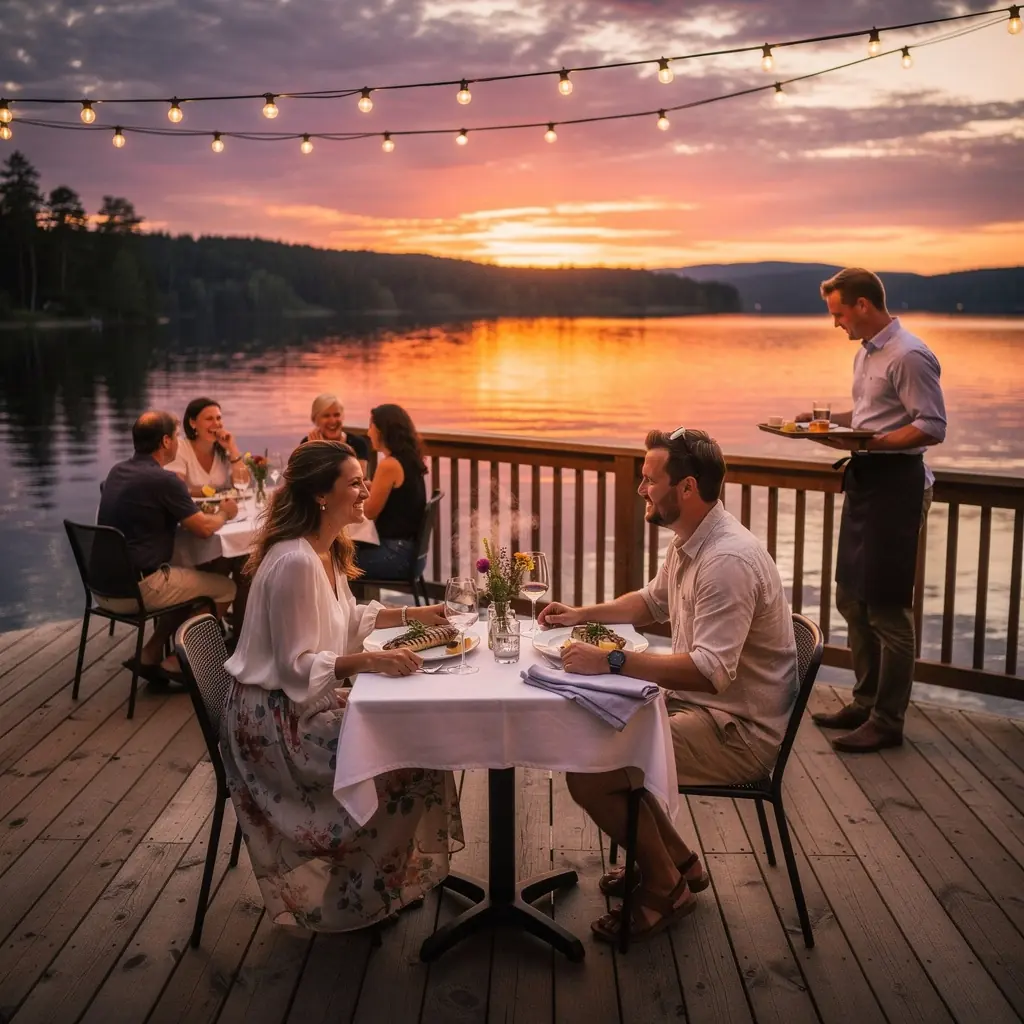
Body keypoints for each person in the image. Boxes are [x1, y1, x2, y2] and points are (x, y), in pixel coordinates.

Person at [539, 428, 797, 944]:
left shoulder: (726, 562)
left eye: (649, 479)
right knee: (597, 732)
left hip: (737, 731)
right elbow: (651, 603)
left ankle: (665, 888)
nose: (641, 489)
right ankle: (681, 862)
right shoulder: (694, 540)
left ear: (686, 488)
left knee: (591, 770)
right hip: (704, 709)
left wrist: (612, 660)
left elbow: (709, 672)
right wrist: (579, 614)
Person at [221, 439, 462, 931]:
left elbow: (347, 618)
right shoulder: (294, 562)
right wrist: (371, 662)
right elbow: (295, 668)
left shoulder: (324, 551)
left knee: (415, 741)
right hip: (275, 725)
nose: (365, 490)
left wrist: (414, 612)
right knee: (408, 758)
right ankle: (355, 896)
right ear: (320, 496)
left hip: (297, 703)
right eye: (354, 483)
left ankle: (373, 883)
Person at [801, 268, 946, 753]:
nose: (836, 323)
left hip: (898, 487)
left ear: (863, 305)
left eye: (839, 312)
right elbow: (867, 415)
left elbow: (931, 425)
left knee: (886, 609)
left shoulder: (909, 354)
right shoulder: (867, 356)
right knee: (851, 600)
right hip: (867, 482)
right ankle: (864, 702)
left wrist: (875, 443)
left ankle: (888, 720)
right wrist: (820, 422)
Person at [97, 411, 238, 680]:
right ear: (164, 442)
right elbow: (204, 529)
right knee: (226, 588)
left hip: (104, 587)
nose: (177, 441)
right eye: (175, 436)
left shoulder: (118, 471)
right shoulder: (164, 480)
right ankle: (178, 661)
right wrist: (225, 513)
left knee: (186, 582)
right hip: (139, 588)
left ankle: (149, 655)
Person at [354, 403, 427, 580]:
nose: (368, 432)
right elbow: (399, 496)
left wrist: (344, 500)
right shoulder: (409, 459)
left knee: (334, 561)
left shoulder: (389, 465)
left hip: (395, 556)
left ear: (381, 431)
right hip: (410, 555)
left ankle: (340, 608)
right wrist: (372, 486)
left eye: (371, 426)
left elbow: (369, 513)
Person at [166, 396, 250, 495]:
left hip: (224, 507)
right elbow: (175, 489)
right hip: (189, 509)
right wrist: (210, 494)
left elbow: (243, 484)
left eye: (218, 418)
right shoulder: (179, 448)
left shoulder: (224, 450)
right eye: (209, 419)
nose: (216, 423)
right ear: (193, 423)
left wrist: (232, 448)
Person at [300, 393, 369, 473]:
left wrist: (324, 452)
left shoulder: (357, 443)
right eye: (326, 416)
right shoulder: (307, 444)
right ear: (315, 419)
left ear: (343, 416)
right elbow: (305, 481)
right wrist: (317, 450)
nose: (332, 421)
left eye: (336, 415)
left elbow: (358, 478)